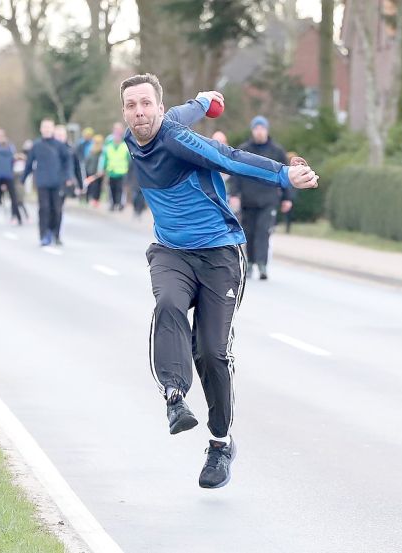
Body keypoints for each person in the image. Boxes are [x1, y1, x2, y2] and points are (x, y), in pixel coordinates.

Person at [119, 73, 319, 488]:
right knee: (168, 304)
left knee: (211, 353)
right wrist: (204, 101)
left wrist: (284, 176)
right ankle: (174, 397)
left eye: (145, 105)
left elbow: (228, 157)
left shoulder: (177, 140)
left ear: (156, 107)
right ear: (126, 110)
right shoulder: (136, 135)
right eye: (131, 105)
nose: (139, 112)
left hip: (219, 255)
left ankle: (220, 443)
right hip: (172, 252)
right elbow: (181, 111)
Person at [228, 116, 292, 280]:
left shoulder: (276, 151)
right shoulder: (243, 149)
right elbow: (235, 174)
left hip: (268, 199)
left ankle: (262, 265)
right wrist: (234, 194)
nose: (259, 131)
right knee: (249, 233)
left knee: (263, 232)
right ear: (252, 130)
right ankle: (250, 264)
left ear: (267, 130)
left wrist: (287, 198)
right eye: (256, 128)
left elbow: (285, 174)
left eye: (262, 128)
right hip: (248, 200)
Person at [20, 118, 71, 246]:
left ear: (53, 129)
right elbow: (29, 163)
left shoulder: (59, 146)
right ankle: (44, 235)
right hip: (42, 181)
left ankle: (56, 234)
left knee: (57, 210)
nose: (47, 129)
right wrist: (23, 177)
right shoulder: (36, 145)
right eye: (45, 127)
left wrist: (68, 177)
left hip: (57, 181)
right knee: (44, 209)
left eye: (49, 127)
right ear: (41, 129)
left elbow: (67, 162)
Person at [0, 129, 25, 226]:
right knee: (6, 198)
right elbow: (14, 158)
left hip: (0, 175)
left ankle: (15, 217)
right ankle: (16, 218)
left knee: (8, 197)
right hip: (6, 175)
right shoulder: (7, 148)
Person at [100, 123, 130, 211]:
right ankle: (112, 204)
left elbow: (129, 158)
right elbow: (104, 158)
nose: (117, 132)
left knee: (121, 189)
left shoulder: (125, 143)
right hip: (111, 171)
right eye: (115, 129)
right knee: (111, 189)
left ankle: (120, 205)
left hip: (123, 171)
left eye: (119, 130)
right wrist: (102, 168)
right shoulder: (108, 143)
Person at [54, 124, 82, 199]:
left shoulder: (71, 150)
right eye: (58, 135)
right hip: (52, 181)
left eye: (61, 135)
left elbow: (77, 168)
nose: (60, 138)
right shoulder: (50, 150)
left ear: (65, 136)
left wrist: (80, 185)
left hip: (65, 181)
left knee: (58, 206)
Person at [83, 134, 105, 207]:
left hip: (99, 173)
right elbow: (87, 161)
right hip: (90, 171)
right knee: (90, 186)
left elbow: (103, 162)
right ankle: (88, 199)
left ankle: (96, 200)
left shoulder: (103, 152)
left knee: (98, 187)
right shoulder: (90, 150)